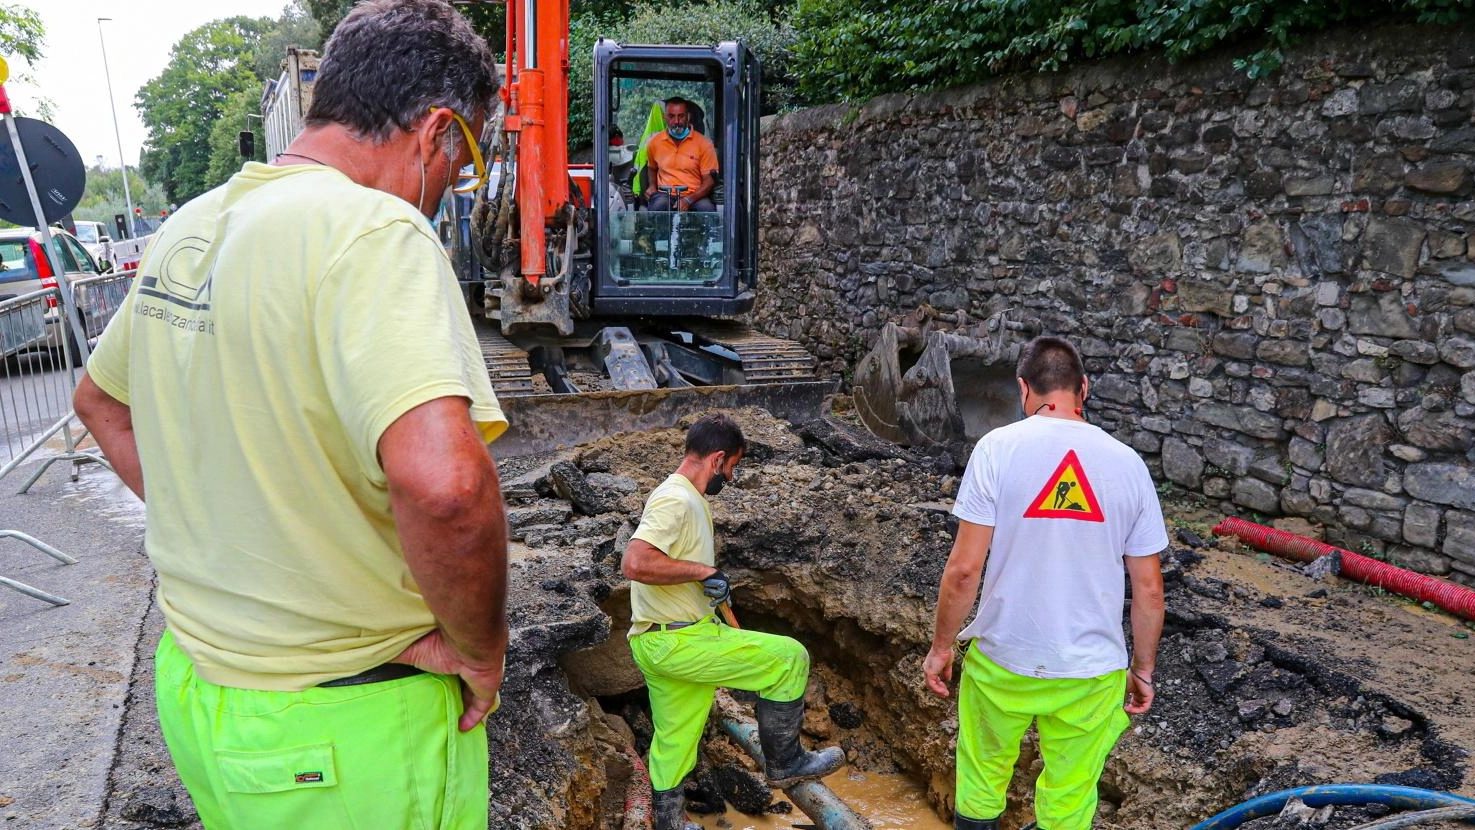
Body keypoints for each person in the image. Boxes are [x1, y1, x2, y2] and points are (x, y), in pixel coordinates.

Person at [72, 2, 508, 828]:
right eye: (467, 159)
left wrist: (227, 540)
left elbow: (101, 403)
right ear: (438, 130)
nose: (456, 182)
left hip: (205, 695)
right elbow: (447, 488)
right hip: (345, 729)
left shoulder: (193, 224)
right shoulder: (374, 231)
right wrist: (478, 648)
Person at [922, 336, 1167, 830]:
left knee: (982, 777)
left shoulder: (997, 449)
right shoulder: (1128, 465)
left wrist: (941, 646)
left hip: (1003, 660)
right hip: (1091, 672)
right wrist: (1142, 669)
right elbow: (1149, 589)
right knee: (1069, 798)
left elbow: (964, 569)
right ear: (1085, 389)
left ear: (1022, 389)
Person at [621, 414, 845, 830]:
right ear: (717, 458)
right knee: (789, 658)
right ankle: (786, 763)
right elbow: (635, 562)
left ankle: (669, 824)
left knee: (675, 742)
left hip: (657, 639)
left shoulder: (686, 497)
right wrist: (703, 573)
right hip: (679, 642)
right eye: (732, 467)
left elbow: (668, 562)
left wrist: (702, 580)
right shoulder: (677, 499)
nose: (732, 476)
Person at [642, 97, 718, 212]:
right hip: (664, 195)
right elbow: (651, 168)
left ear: (688, 117)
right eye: (671, 116)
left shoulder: (704, 144)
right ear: (665, 117)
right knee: (658, 206)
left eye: (681, 116)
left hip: (695, 195)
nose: (676, 121)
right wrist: (652, 186)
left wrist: (689, 200)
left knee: (706, 210)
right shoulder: (654, 142)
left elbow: (709, 181)